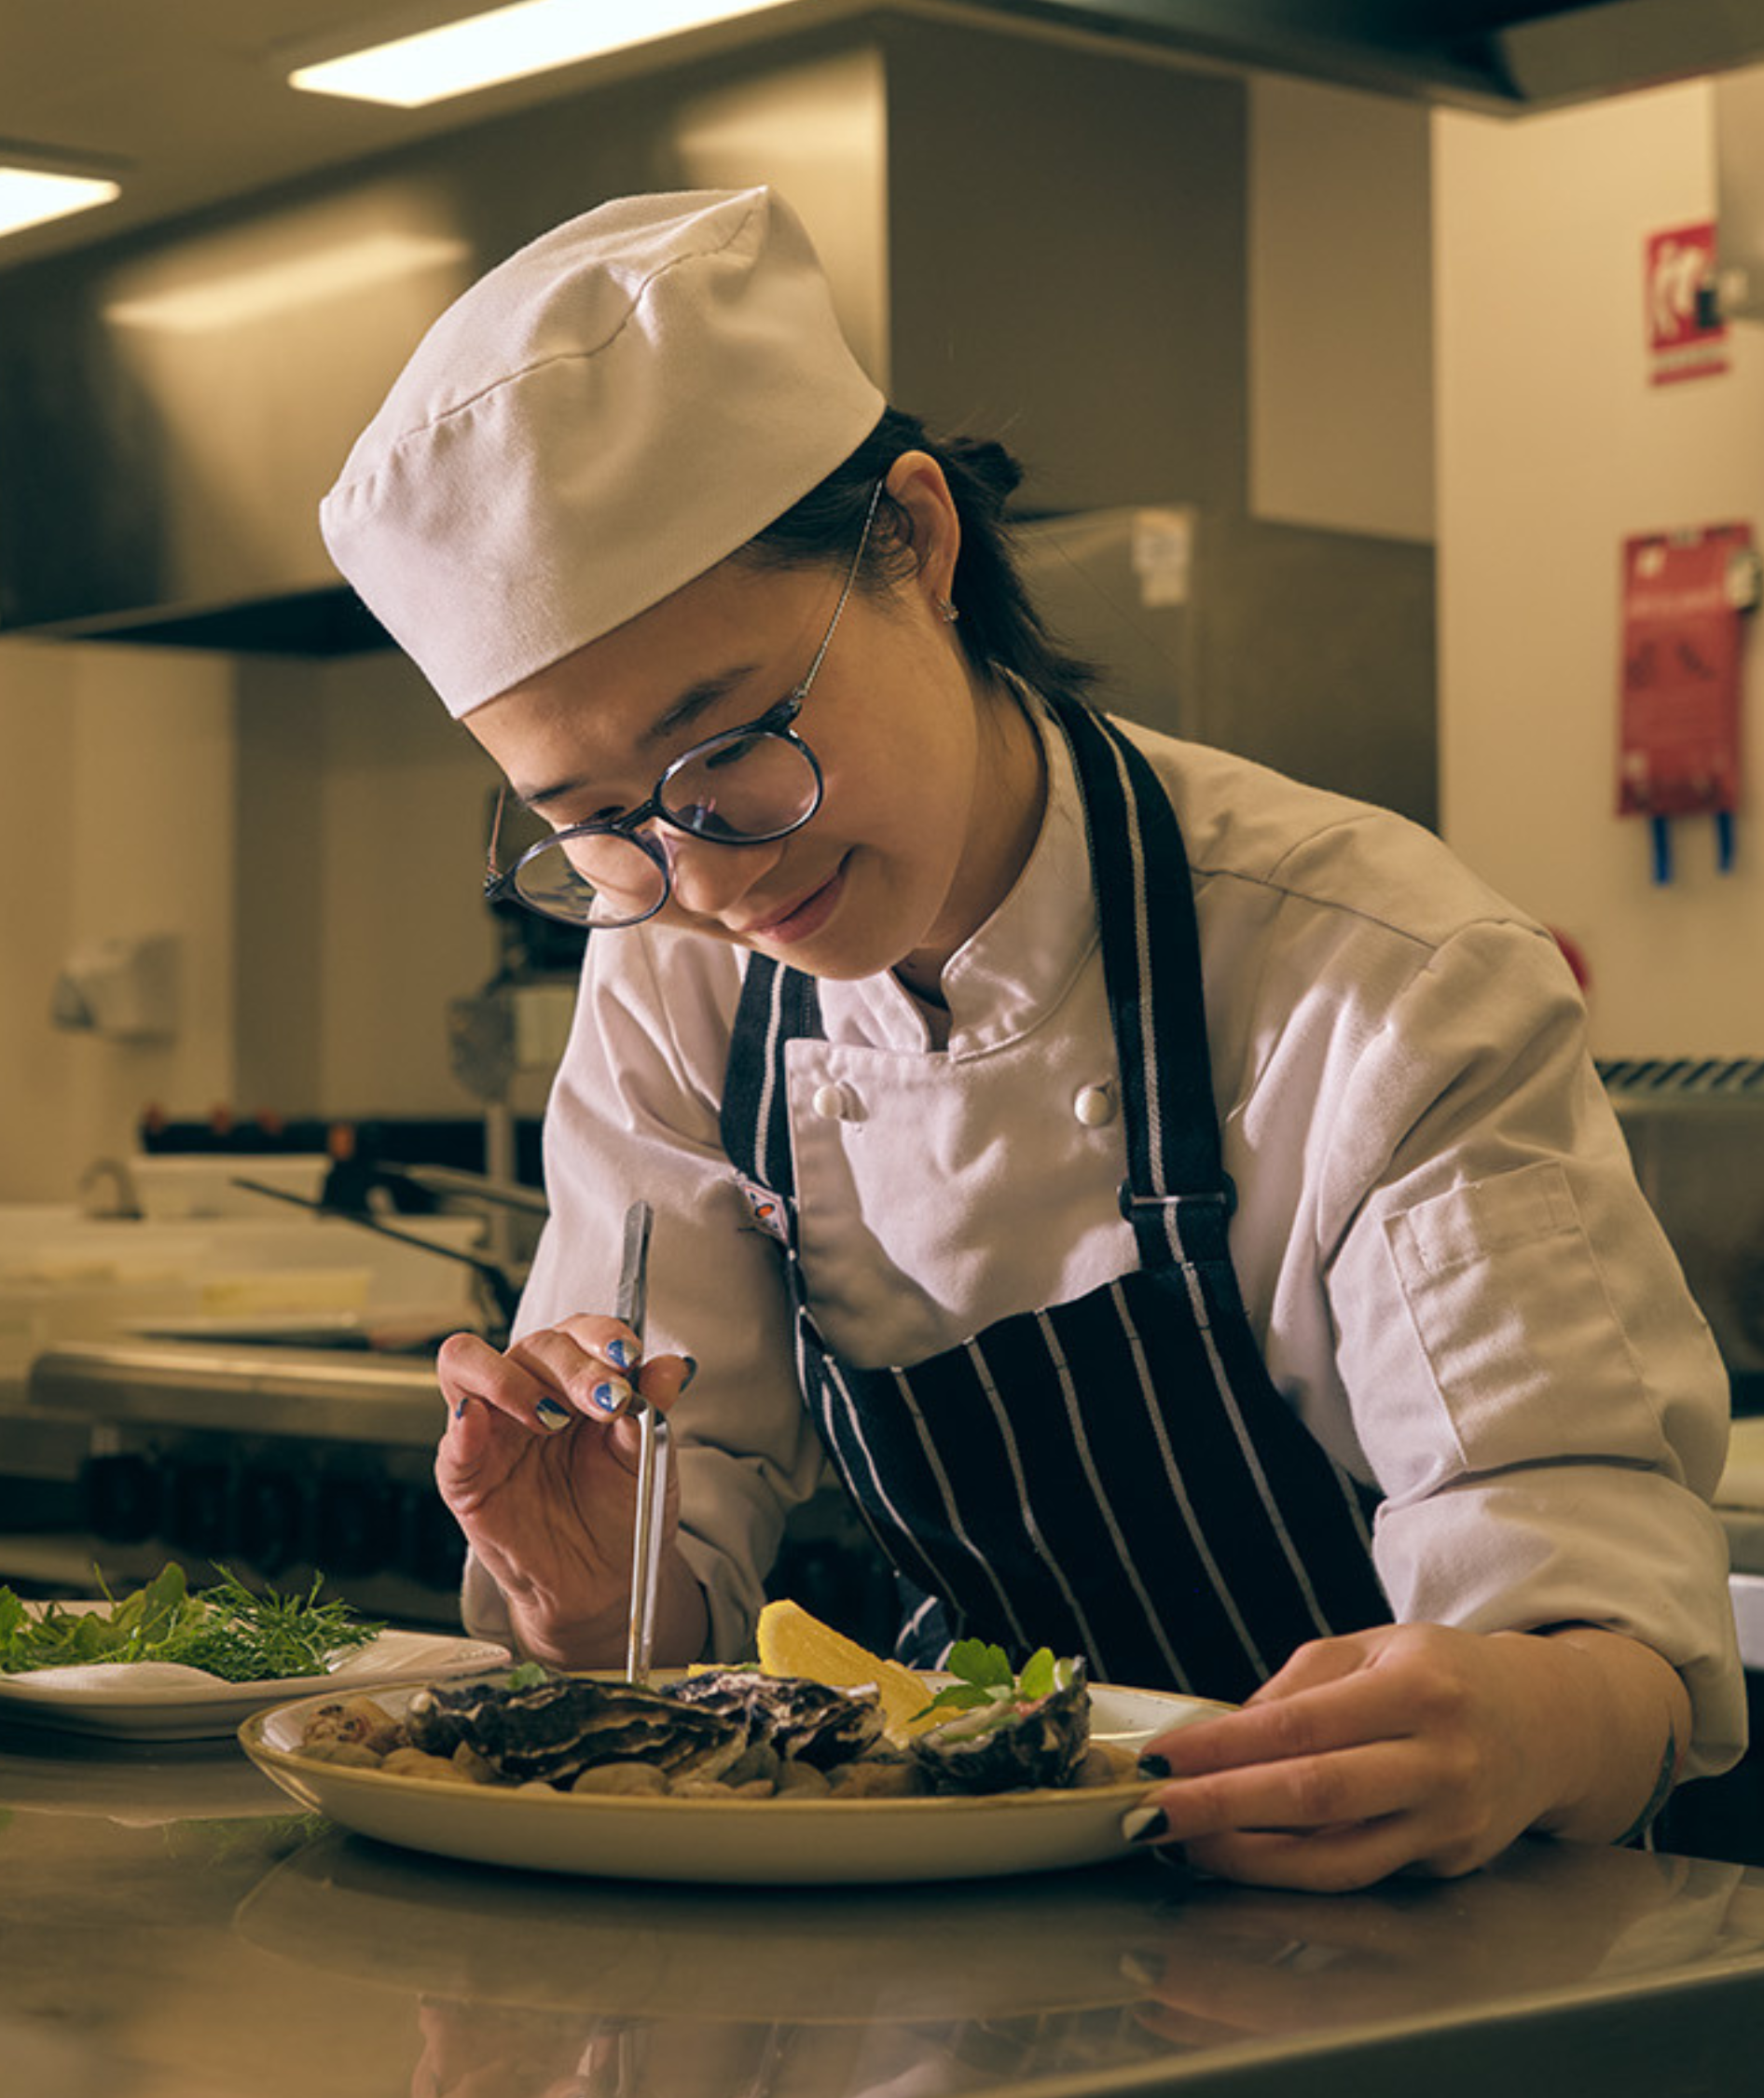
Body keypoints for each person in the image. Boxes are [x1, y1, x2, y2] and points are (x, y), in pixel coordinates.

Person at [319, 187, 1742, 1891]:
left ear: (919, 544)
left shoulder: (1373, 969)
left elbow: (1614, 1650)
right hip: (966, 1911)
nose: (705, 869)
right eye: (601, 820)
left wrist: (1522, 1716)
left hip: (1410, 1930)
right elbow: (666, 1614)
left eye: (738, 742)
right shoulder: (680, 991)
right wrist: (589, 1581)